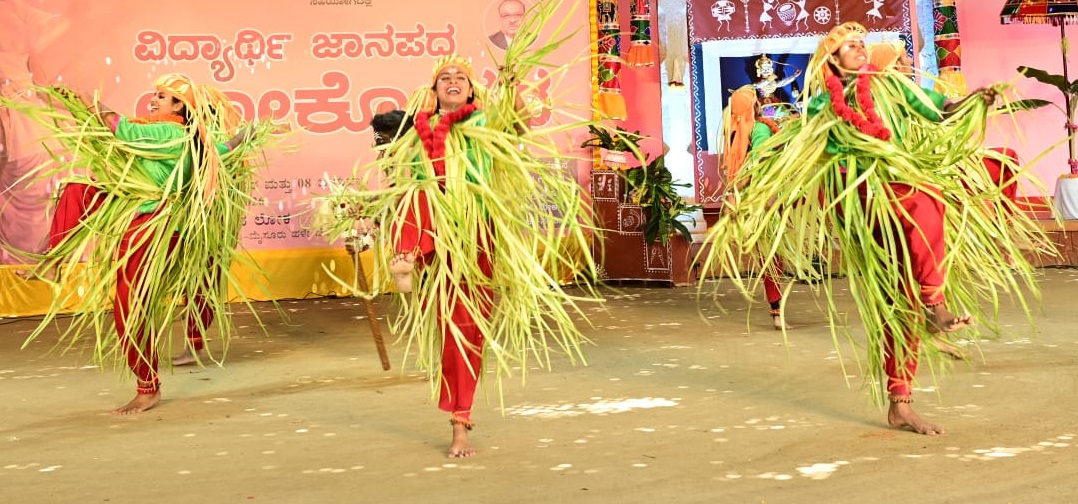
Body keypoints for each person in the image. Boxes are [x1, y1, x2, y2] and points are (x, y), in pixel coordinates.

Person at [699, 22, 1047, 436]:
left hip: (898, 190)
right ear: (833, 58)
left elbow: (940, 110)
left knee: (901, 296)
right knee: (924, 196)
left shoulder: (893, 90)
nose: (860, 49)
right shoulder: (819, 106)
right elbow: (793, 154)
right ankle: (935, 304)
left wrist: (975, 101)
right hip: (857, 200)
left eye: (863, 43)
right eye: (851, 46)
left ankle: (901, 401)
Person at [343, 52, 597, 458]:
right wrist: (366, 219)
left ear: (472, 87)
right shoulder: (414, 132)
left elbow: (517, 124)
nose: (453, 80)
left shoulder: (483, 122)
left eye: (460, 76)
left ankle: (461, 423)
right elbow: (394, 183)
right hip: (430, 228)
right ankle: (406, 256)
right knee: (417, 192)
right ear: (434, 89)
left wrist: (512, 86)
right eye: (445, 77)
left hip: (475, 232)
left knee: (461, 334)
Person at [10, 73, 275, 414]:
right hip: (150, 223)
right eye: (155, 94)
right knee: (78, 192)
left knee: (131, 307)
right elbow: (224, 149)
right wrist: (245, 136)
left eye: (161, 97)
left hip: (151, 228)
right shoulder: (198, 141)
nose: (153, 100)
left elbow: (121, 128)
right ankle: (54, 259)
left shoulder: (169, 132)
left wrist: (84, 97)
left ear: (180, 107)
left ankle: (149, 386)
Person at [720, 85, 792, 330]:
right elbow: (759, 160)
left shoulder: (734, 132)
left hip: (749, 201)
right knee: (773, 255)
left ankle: (776, 308)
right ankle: (777, 310)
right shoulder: (760, 128)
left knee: (767, 256)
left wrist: (733, 193)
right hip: (765, 198)